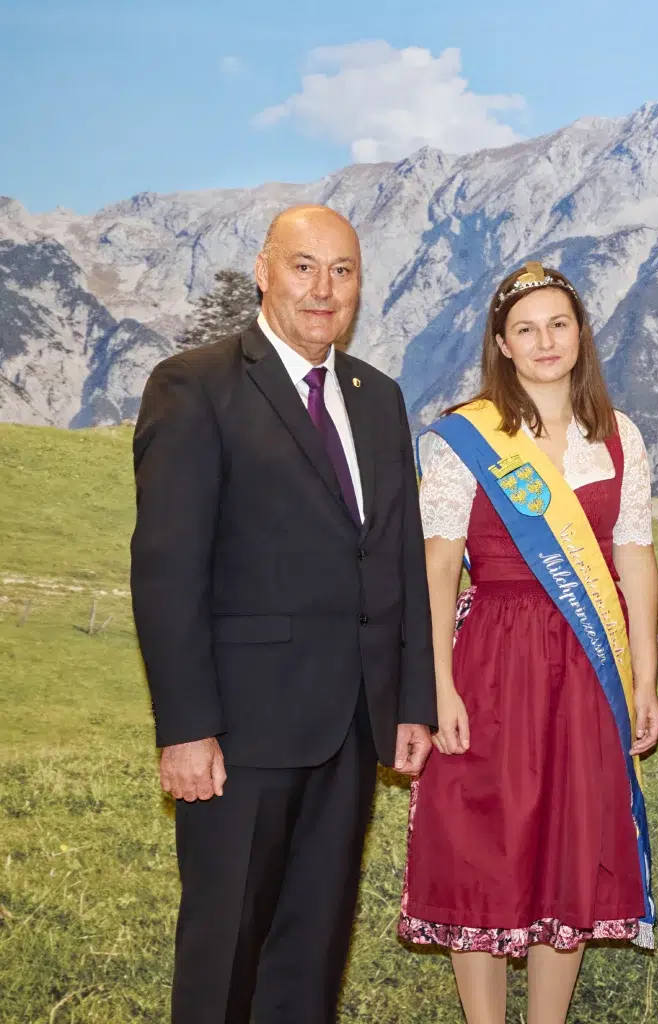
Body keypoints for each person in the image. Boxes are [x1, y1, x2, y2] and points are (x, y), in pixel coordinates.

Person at [130, 204, 436, 1022]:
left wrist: (412, 700)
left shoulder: (379, 397)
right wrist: (184, 727)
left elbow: (398, 552)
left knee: (311, 955)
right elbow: (167, 570)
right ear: (264, 271)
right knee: (224, 951)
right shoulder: (195, 385)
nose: (323, 289)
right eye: (304, 266)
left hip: (351, 728)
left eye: (342, 271)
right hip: (238, 735)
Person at [397, 261, 658, 1024]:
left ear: (580, 334)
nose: (545, 341)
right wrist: (437, 684)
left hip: (587, 663)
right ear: (502, 346)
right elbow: (439, 563)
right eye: (526, 329)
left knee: (568, 841)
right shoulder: (465, 438)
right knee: (481, 835)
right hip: (492, 658)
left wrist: (643, 680)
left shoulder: (619, 439)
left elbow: (633, 558)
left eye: (559, 324)